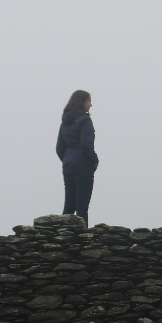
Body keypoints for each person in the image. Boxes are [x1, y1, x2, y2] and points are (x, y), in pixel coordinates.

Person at [56, 90, 99, 225]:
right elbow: (86, 145)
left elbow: (59, 148)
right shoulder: (85, 120)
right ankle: (83, 236)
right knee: (82, 206)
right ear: (82, 102)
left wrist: (68, 160)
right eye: (89, 101)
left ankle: (61, 233)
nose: (90, 104)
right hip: (83, 166)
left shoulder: (65, 123)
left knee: (69, 205)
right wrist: (94, 160)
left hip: (68, 165)